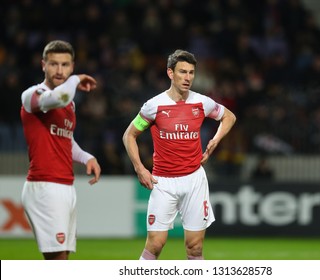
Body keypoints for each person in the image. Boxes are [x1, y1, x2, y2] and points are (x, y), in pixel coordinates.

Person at [123, 49, 236, 260]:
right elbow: (129, 135)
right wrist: (140, 168)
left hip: (194, 180)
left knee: (195, 248)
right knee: (155, 244)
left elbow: (228, 117)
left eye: (191, 72)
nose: (188, 78)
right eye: (182, 72)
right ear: (170, 73)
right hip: (163, 182)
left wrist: (215, 140)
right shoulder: (153, 106)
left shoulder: (202, 102)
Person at [20, 40, 101, 260]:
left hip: (65, 185)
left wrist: (87, 158)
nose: (59, 70)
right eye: (53, 64)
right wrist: (75, 80)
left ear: (72, 65)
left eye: (65, 65)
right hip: (45, 186)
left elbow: (66, 139)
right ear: (43, 65)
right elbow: (60, 96)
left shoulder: (69, 105)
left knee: (61, 258)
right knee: (58, 261)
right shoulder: (32, 96)